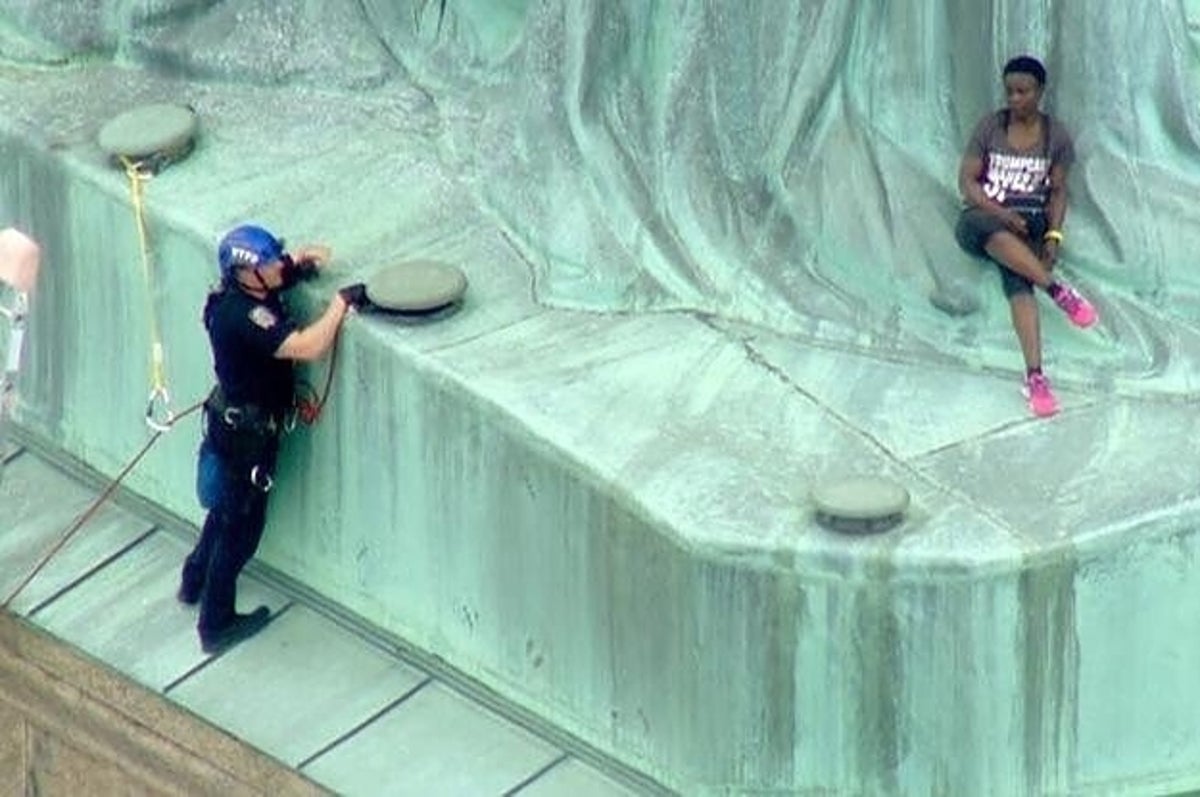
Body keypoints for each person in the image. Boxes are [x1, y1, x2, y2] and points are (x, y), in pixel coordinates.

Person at [179, 224, 368, 654]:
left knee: (224, 511)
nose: (275, 266)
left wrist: (297, 266)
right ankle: (216, 623)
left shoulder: (237, 296)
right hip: (248, 436)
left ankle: (193, 580)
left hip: (233, 425)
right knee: (240, 529)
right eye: (265, 263)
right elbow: (306, 346)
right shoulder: (243, 317)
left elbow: (284, 272)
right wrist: (339, 305)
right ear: (246, 274)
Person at [955, 55, 1097, 418]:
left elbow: (1059, 192)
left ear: (1040, 92)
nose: (1014, 99)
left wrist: (1052, 237)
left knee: (1018, 281)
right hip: (983, 219)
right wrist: (1002, 213)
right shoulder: (990, 127)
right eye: (1010, 92)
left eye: (1023, 91)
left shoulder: (1056, 136)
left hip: (1029, 224)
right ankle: (1056, 290)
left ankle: (1035, 378)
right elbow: (967, 182)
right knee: (986, 227)